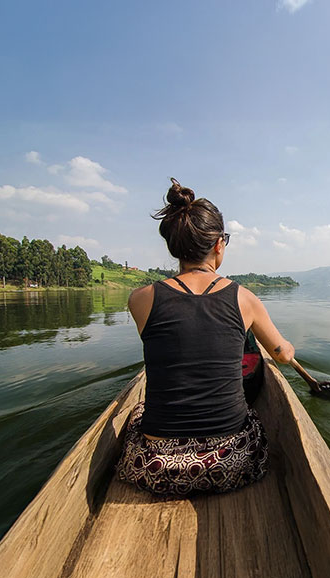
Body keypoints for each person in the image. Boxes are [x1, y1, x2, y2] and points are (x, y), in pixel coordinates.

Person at [116, 178, 294, 496]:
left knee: (138, 411)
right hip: (232, 463)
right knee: (249, 413)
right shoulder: (245, 299)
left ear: (173, 246)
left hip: (156, 466)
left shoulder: (139, 299)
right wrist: (287, 349)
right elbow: (280, 354)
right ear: (218, 245)